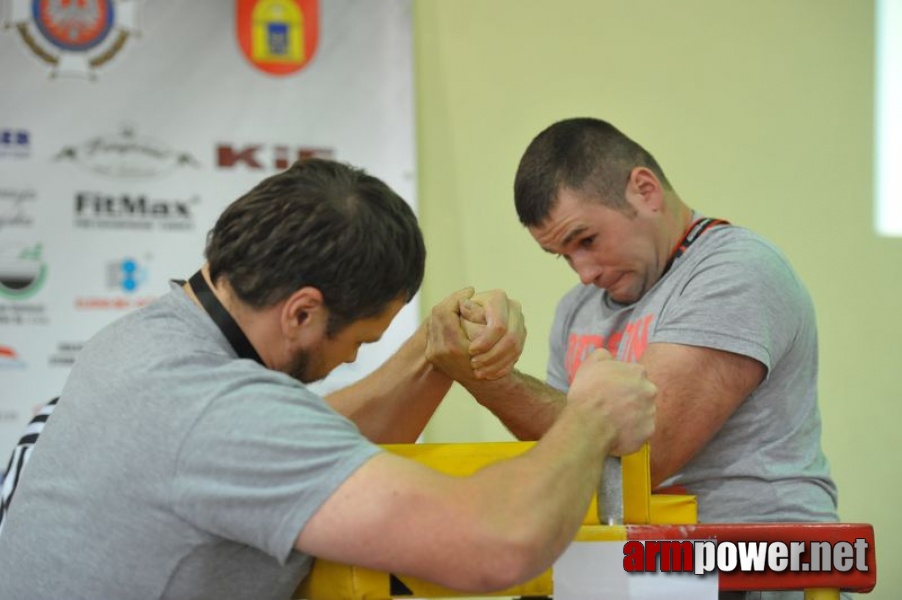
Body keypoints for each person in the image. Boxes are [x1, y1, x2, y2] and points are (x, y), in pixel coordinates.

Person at [0, 158, 657, 600]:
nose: (351, 361)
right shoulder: (218, 413)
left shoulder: (148, 341)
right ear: (304, 312)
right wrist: (590, 418)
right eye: (361, 342)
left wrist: (436, 353)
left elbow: (308, 449)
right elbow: (498, 542)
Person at [430, 117, 840, 532]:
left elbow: (644, 458)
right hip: (642, 564)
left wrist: (489, 376)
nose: (584, 273)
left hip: (764, 568)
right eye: (564, 256)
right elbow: (565, 466)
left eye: (586, 240)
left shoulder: (737, 272)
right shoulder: (577, 309)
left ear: (645, 191)